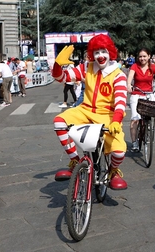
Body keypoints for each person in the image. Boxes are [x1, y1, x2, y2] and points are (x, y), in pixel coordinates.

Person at [51, 34, 128, 190]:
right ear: (91, 54)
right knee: (59, 122)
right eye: (96, 52)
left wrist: (116, 120)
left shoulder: (118, 75)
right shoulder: (87, 67)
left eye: (103, 51)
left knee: (119, 152)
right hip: (85, 110)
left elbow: (121, 102)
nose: (100, 56)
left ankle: (113, 171)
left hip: (108, 115)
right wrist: (57, 65)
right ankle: (75, 162)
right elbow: (63, 78)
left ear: (110, 53)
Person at [127, 48, 155, 152]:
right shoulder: (135, 66)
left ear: (149, 56)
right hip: (137, 94)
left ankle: (148, 128)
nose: (142, 58)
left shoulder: (153, 67)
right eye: (140, 56)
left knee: (151, 113)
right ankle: (134, 142)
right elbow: (130, 77)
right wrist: (128, 85)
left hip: (149, 94)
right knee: (135, 119)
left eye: (144, 56)